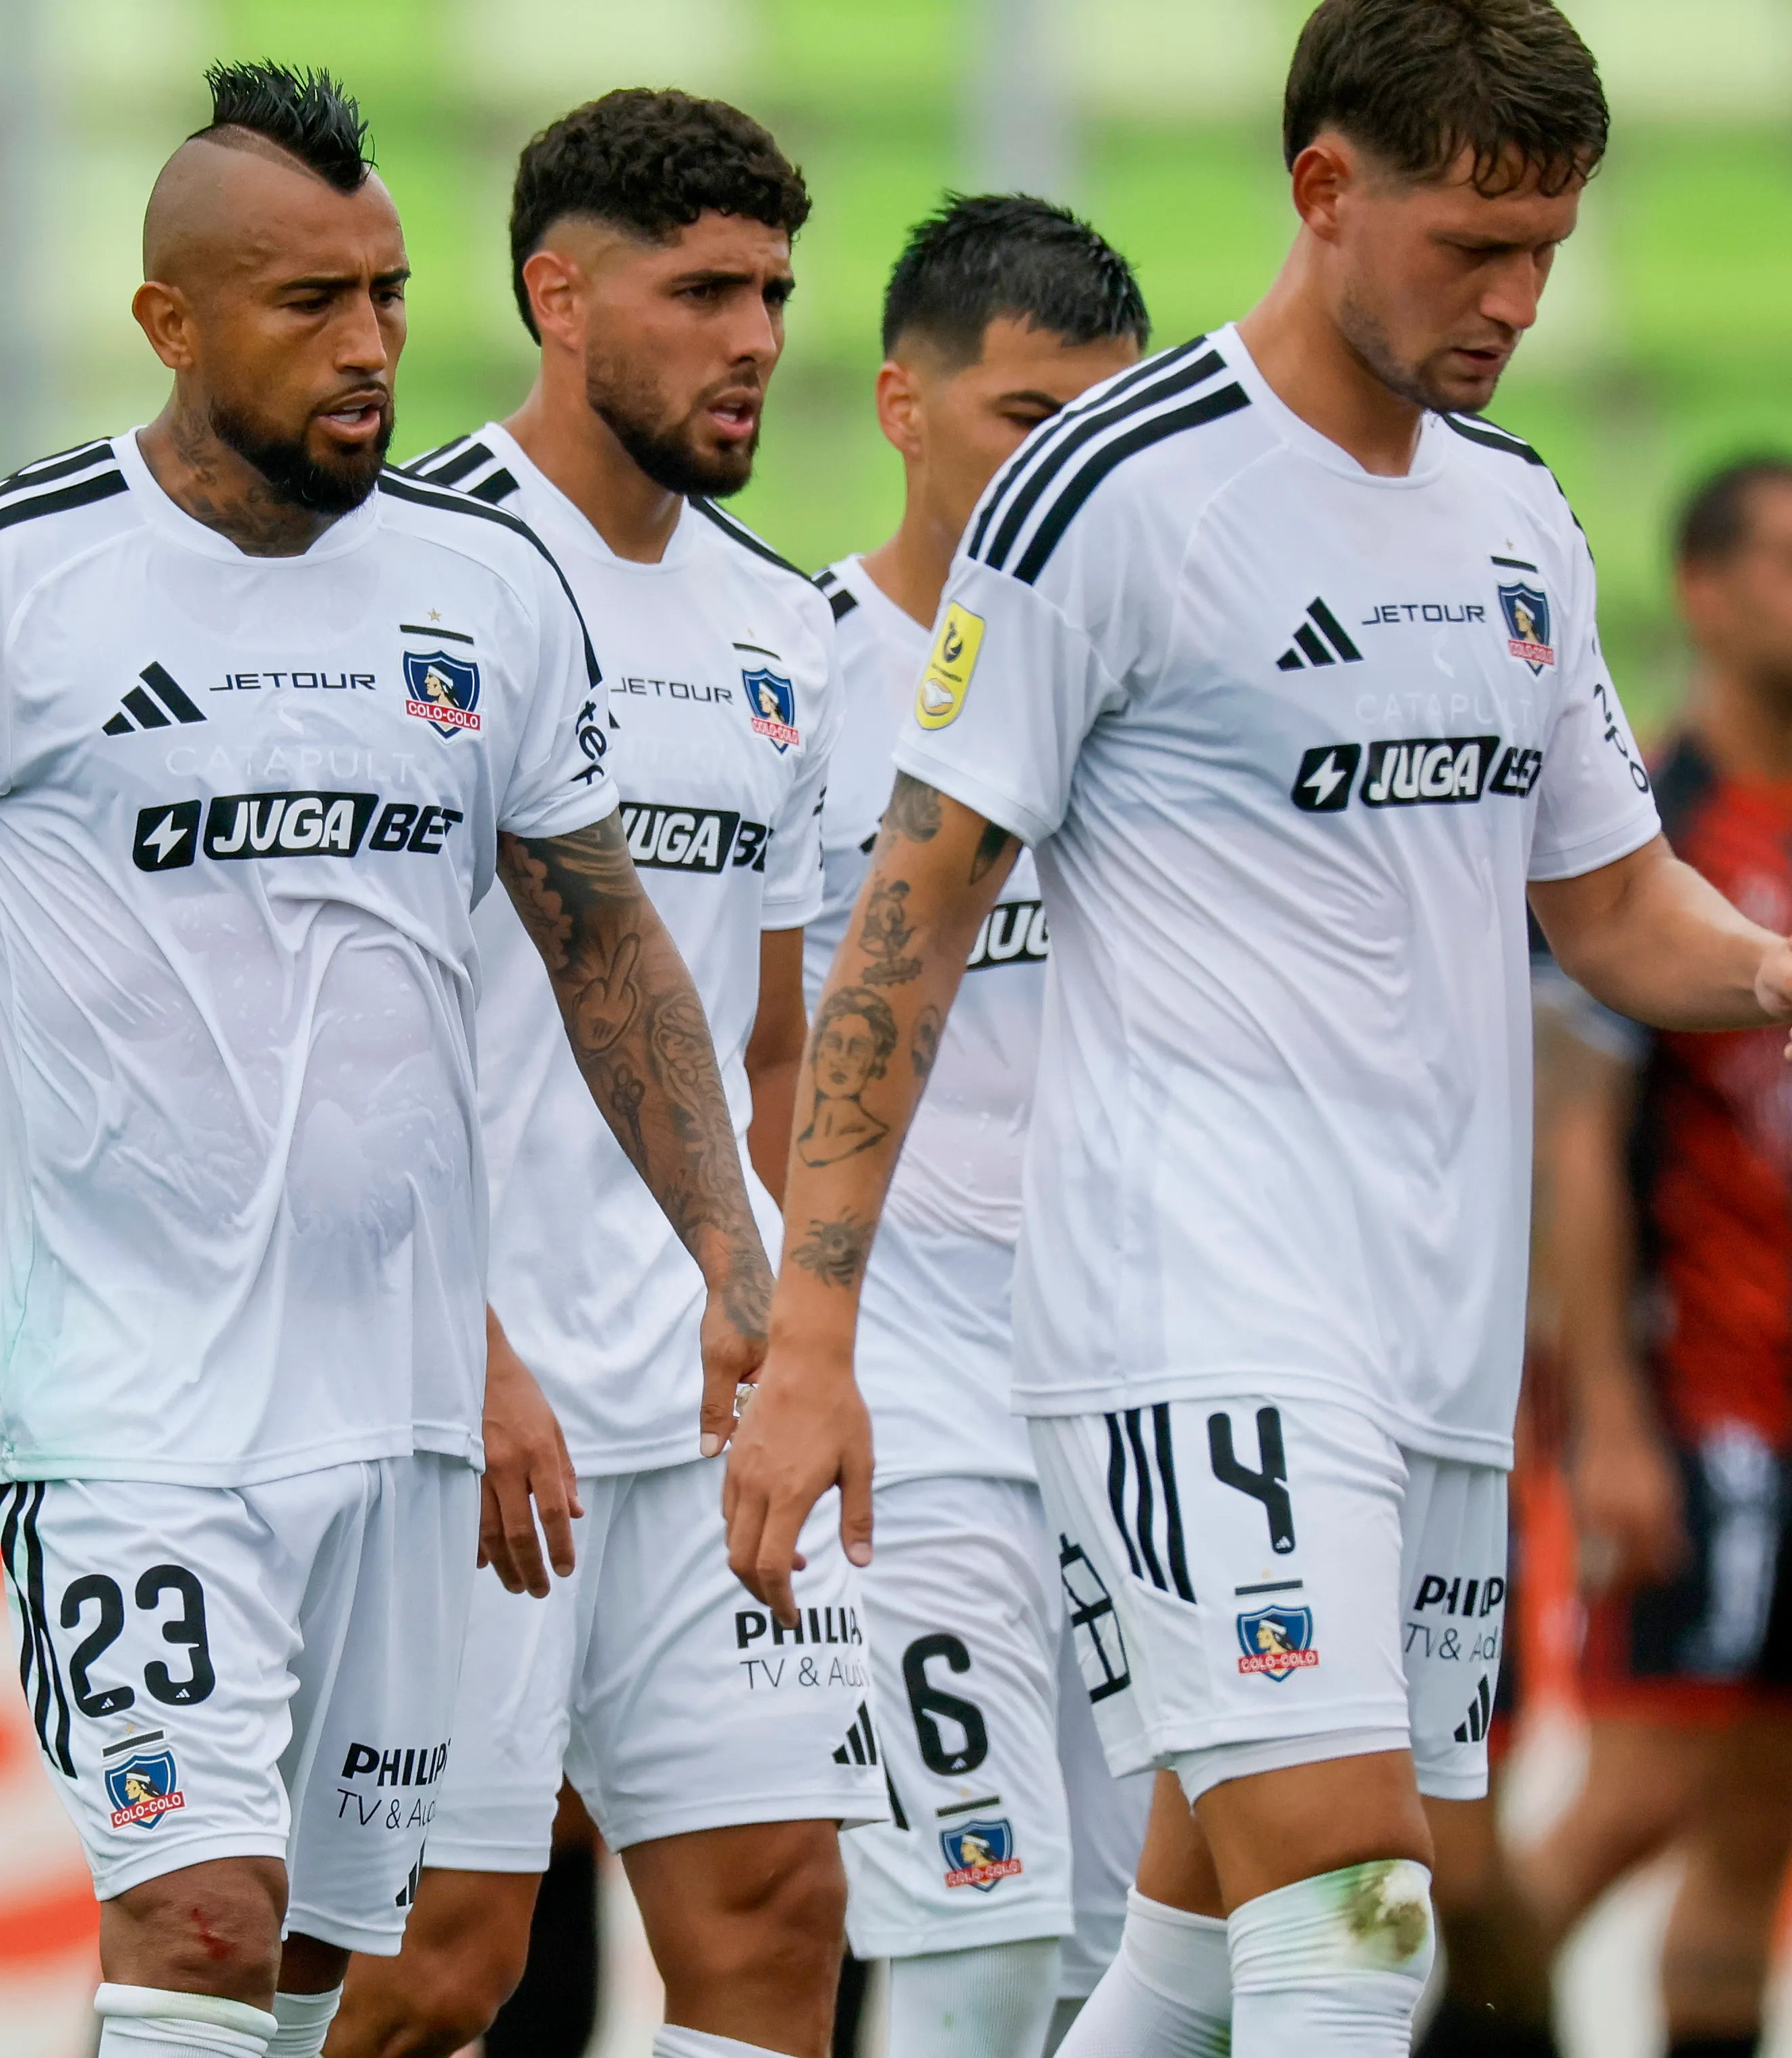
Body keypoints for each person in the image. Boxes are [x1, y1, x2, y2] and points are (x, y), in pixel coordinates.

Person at [723, 5, 1792, 2055]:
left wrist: (1777, 965)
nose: (1517, 300)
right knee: (1357, 1916)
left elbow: (1613, 899)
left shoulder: (1516, 517)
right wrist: (812, 1338)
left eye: (1548, 252)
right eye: (1474, 247)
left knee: (1198, 1949)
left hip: (1434, 1339)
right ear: (1324, 190)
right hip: (1194, 1309)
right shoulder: (1112, 491)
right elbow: (903, 930)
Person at [0, 63, 774, 2058]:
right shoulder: (3, 577)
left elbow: (606, 943)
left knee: (327, 1981)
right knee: (195, 1916)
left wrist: (735, 1249)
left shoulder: (485, 587)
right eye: (309, 303)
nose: (367, 347)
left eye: (387, 294)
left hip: (400, 1416)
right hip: (130, 1413)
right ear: (169, 323)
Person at [335, 89, 873, 2058]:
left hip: (700, 1407)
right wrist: (458, 1344)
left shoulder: (779, 625)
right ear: (559, 298)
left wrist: (794, 1326)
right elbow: (339, 1032)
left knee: (776, 1917)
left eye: (775, 294)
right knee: (433, 1964)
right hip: (456, 1397)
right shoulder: (403, 584)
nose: (756, 339)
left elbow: (774, 1035)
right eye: (702, 291)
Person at [1524, 456, 1792, 2058]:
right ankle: (1442, 2022)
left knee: (1765, 1821)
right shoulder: (1653, 834)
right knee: (1640, 1792)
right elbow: (1575, 1134)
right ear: (1703, 591)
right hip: (1691, 1394)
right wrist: (1610, 1418)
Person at [801, 196, 1151, 2058]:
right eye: (1027, 416)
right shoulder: (798, 677)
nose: (1068, 467)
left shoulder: (1163, 679)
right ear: (901, 406)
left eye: (1105, 422)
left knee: (1138, 1964)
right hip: (906, 1406)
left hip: (1138, 1384)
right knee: (982, 1936)